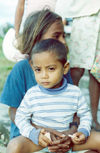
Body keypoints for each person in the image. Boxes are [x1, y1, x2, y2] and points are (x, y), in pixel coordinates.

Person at [0, 9, 100, 153]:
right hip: (32, 137)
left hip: (65, 136)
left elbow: (76, 112)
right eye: (56, 36)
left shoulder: (62, 72)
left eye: (64, 36)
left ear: (65, 68)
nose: (63, 42)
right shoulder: (21, 69)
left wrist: (72, 132)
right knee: (15, 147)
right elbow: (14, 112)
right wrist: (39, 132)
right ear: (36, 38)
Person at [15, 38, 92, 153]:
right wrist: (33, 134)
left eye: (51, 69)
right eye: (38, 70)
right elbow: (20, 118)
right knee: (15, 145)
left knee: (98, 139)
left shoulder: (74, 92)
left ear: (65, 68)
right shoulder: (32, 94)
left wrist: (83, 132)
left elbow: (85, 115)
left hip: (68, 140)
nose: (44, 75)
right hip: (41, 142)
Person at [55, 0, 100, 131]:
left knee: (97, 71)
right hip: (83, 15)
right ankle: (71, 116)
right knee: (76, 69)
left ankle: (94, 118)